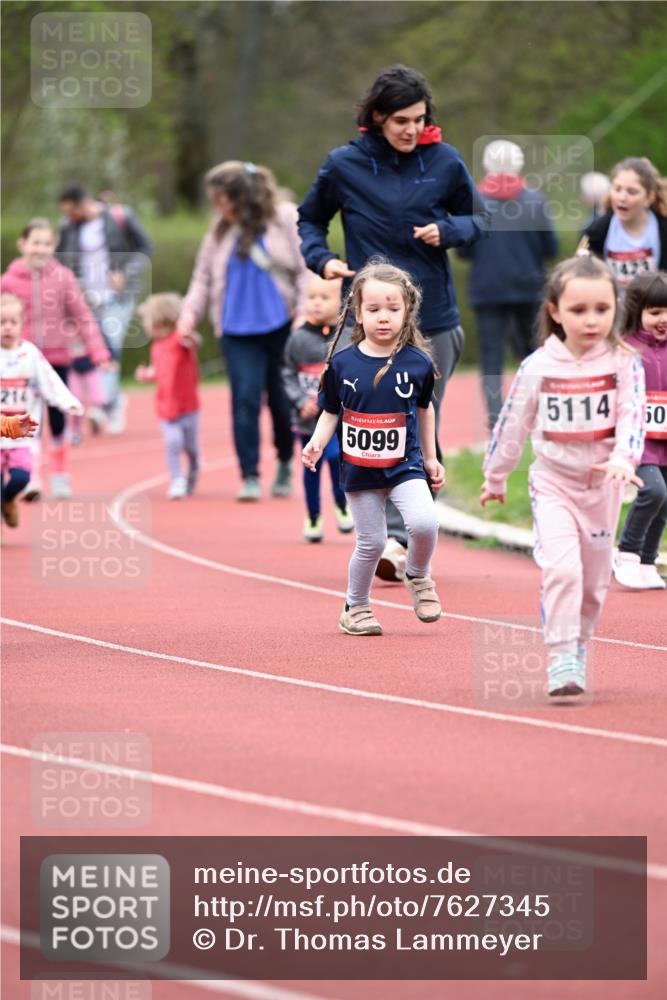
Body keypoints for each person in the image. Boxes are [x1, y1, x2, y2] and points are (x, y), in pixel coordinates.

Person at [298, 64, 487, 580]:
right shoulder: (343, 165)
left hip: (433, 320)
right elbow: (309, 217)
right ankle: (378, 538)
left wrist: (446, 230)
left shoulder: (443, 160)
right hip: (366, 318)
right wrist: (322, 258)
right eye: (401, 120)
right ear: (377, 117)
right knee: (364, 421)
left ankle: (404, 539)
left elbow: (480, 219)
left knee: (420, 420)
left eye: (419, 120)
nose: (410, 130)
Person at [481, 255, 646, 697]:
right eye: (578, 310)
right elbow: (512, 423)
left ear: (616, 307)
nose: (591, 320)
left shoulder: (624, 362)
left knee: (594, 584)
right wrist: (495, 476)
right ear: (554, 310)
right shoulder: (538, 366)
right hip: (553, 484)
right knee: (563, 571)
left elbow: (634, 416)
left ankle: (579, 641)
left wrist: (624, 461)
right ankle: (561, 656)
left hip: (603, 489)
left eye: (601, 309)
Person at [302, 260, 444, 636]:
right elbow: (331, 411)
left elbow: (425, 410)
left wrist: (430, 458)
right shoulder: (342, 364)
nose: (384, 317)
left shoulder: (418, 363)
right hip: (360, 471)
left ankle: (418, 575)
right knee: (372, 543)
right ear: (357, 313)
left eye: (393, 309)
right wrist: (317, 442)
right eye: (374, 309)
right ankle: (356, 606)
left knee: (425, 522)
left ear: (407, 311)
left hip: (404, 466)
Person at [178, 161, 310, 501]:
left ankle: (283, 461)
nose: (216, 207)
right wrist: (189, 314)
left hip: (281, 324)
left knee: (282, 402)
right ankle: (249, 474)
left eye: (220, 199)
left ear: (242, 197)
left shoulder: (283, 218)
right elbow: (202, 277)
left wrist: (305, 314)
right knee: (245, 399)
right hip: (236, 328)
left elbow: (306, 268)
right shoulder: (220, 230)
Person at [1, 217, 110, 498]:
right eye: (35, 242)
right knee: (26, 421)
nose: (41, 249)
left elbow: (83, 316)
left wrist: (98, 350)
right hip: (20, 365)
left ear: (54, 245)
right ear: (22, 244)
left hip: (56, 360)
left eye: (47, 243)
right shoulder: (8, 281)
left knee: (58, 421)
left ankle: (60, 474)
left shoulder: (63, 277)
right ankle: (32, 477)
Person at [457, 139, 559, 432]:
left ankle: (495, 419)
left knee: (492, 357)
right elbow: (549, 246)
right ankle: (538, 413)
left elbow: (464, 249)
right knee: (535, 353)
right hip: (529, 286)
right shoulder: (535, 200)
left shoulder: (474, 201)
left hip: (488, 288)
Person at [56, 184, 153, 434]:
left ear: (82, 204)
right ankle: (115, 402)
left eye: (72, 211)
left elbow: (145, 248)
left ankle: (102, 407)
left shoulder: (120, 217)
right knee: (93, 352)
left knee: (109, 348)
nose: (69, 217)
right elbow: (61, 260)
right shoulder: (68, 227)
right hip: (86, 300)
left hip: (118, 297)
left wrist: (125, 272)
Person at [1, 294, 83, 528]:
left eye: (12, 322)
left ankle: (7, 501)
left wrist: (67, 401)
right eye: (1, 322)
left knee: (20, 478)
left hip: (20, 433)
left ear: (21, 324)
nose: (6, 327)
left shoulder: (30, 355)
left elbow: (50, 381)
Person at [282, 274, 353, 542]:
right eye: (312, 298)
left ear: (342, 303)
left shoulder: (347, 337)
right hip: (306, 421)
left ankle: (342, 504)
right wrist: (300, 401)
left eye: (325, 298)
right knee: (311, 468)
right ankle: (313, 516)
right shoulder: (298, 339)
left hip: (338, 420)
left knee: (337, 460)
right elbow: (287, 373)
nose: (317, 303)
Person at [612, 271, 667, 589]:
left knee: (665, 498)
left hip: (665, 439)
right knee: (653, 491)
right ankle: (627, 553)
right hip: (638, 438)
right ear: (637, 311)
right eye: (655, 312)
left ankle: (648, 561)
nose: (663, 319)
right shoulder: (626, 349)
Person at [135, 293, 200, 500]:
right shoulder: (156, 347)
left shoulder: (179, 340)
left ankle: (194, 466)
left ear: (162, 323)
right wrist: (146, 375)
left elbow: (193, 342)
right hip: (166, 405)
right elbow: (159, 371)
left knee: (190, 446)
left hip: (188, 405)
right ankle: (177, 480)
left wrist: (187, 332)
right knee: (173, 442)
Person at [580, 157, 667, 290]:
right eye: (617, 189)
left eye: (632, 192)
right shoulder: (596, 232)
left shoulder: (662, 229)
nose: (622, 198)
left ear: (649, 198)